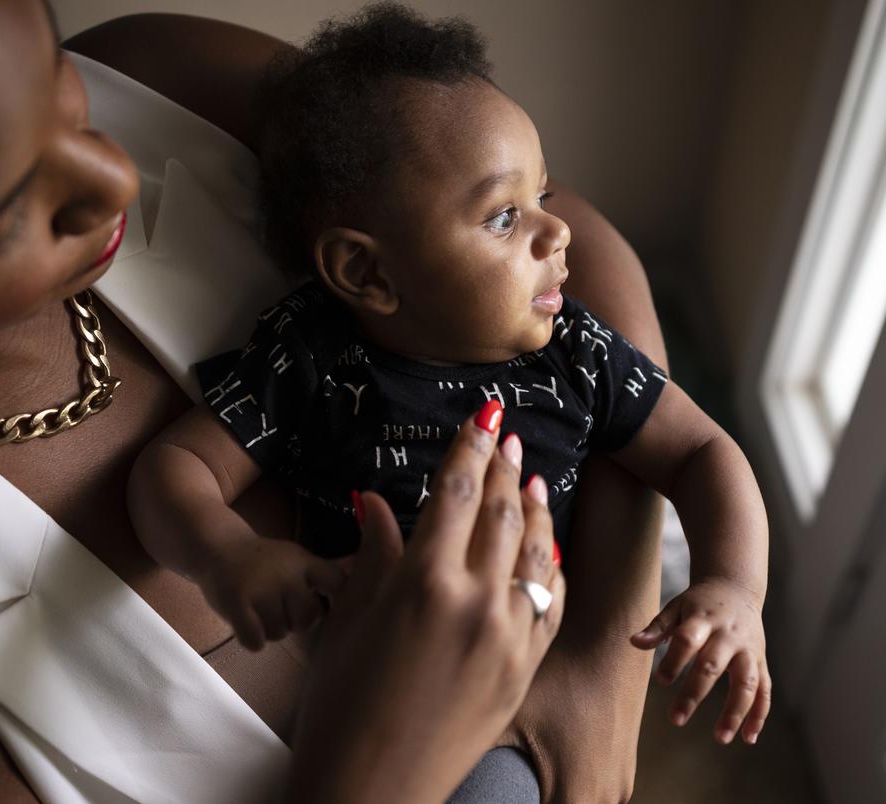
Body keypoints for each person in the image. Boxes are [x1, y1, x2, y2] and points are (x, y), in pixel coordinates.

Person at [0, 1, 653, 801]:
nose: (109, 177)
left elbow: (577, 242)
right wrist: (381, 772)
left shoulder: (152, 72)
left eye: (60, 103)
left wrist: (604, 667)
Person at [131, 3, 772, 760]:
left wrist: (736, 586)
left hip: (531, 682)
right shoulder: (312, 356)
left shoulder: (575, 350)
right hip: (372, 691)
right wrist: (227, 554)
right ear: (366, 270)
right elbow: (176, 468)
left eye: (545, 198)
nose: (556, 233)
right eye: (504, 217)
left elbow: (702, 449)